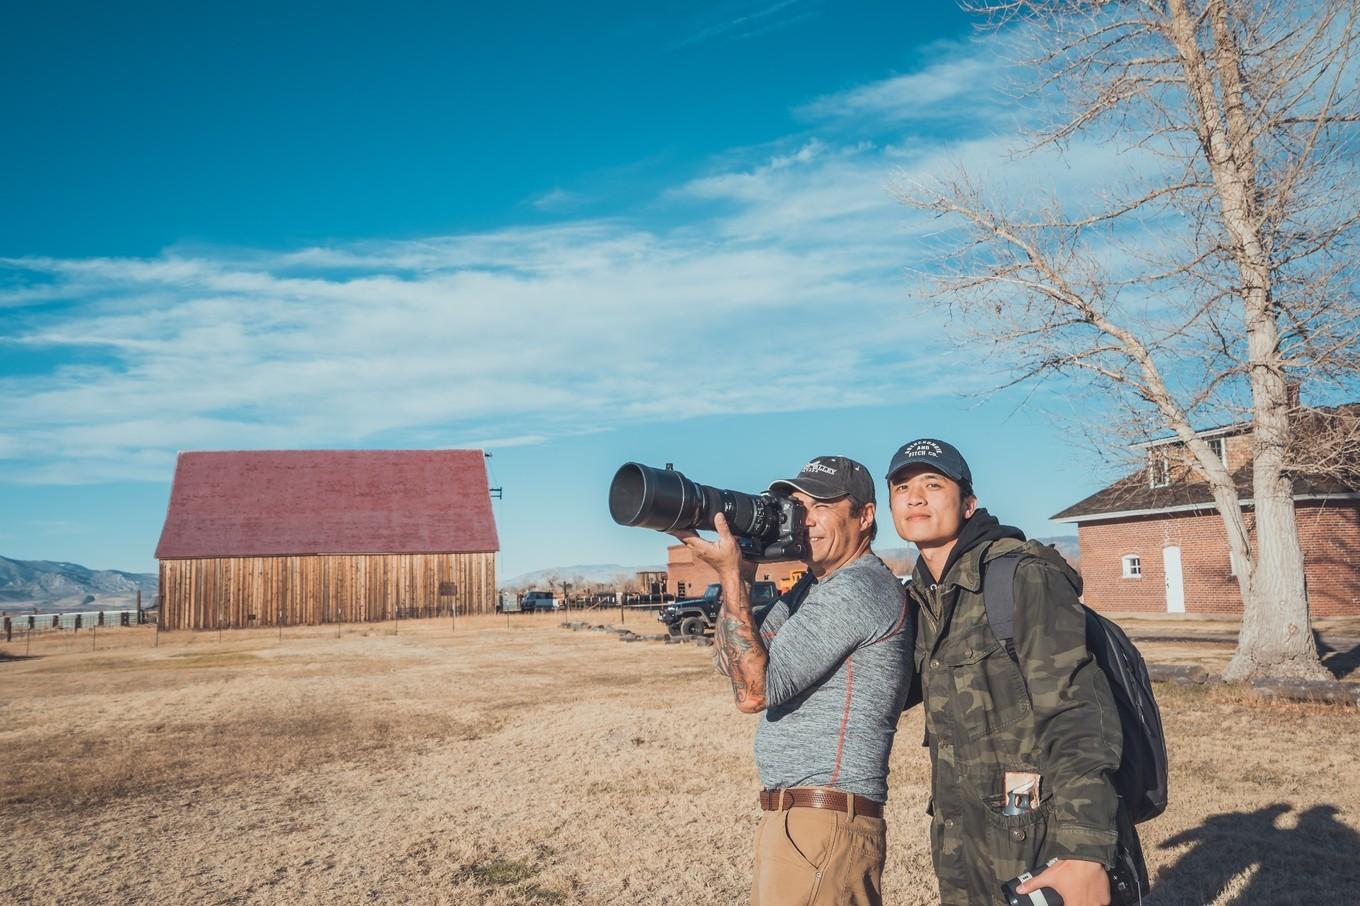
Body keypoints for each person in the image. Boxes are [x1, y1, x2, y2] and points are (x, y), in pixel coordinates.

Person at [886, 438, 1145, 906]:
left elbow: (1077, 711)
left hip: (1042, 840)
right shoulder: (921, 601)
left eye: (932, 483)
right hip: (964, 844)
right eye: (902, 487)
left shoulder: (1019, 578)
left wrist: (1084, 851)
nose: (915, 497)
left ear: (968, 503)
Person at [672, 455, 914, 906]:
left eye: (821, 506)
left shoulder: (857, 587)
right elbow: (733, 663)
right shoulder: (813, 586)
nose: (806, 520)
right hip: (800, 819)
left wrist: (727, 572)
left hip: (824, 821)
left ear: (865, 516)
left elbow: (754, 693)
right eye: (798, 507)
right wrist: (742, 571)